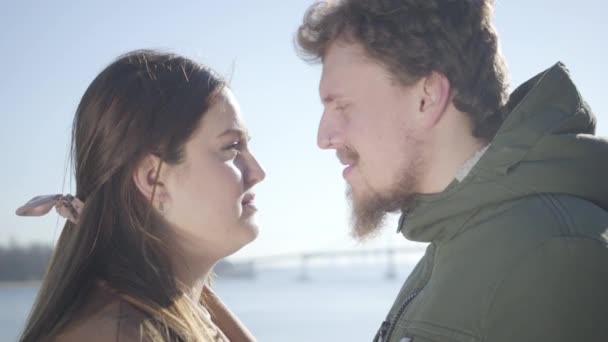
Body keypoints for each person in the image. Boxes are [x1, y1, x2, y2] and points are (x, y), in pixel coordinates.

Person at [296, 1, 608, 341]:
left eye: (341, 105)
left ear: (427, 97)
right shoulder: (455, 235)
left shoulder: (549, 257)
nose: (323, 138)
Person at [15, 50, 265, 342]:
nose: (257, 172)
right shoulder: (116, 334)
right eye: (231, 147)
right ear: (154, 179)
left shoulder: (181, 314)